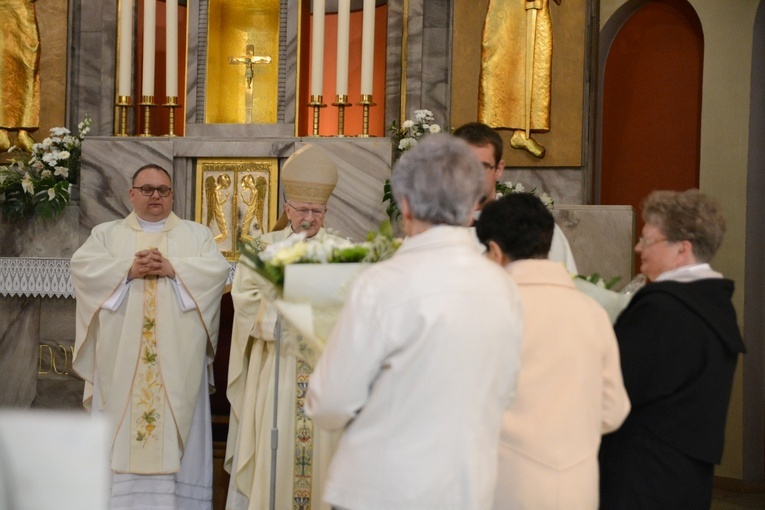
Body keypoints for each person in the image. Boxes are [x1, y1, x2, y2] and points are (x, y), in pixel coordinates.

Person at [305, 134, 524, 510]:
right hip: (467, 489)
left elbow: (331, 402)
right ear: (473, 206)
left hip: (383, 489)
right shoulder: (503, 286)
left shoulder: (383, 284)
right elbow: (506, 390)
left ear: (405, 206)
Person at [70, 164, 230, 509]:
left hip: (178, 363)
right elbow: (83, 269)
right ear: (132, 194)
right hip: (121, 358)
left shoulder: (197, 235)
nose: (155, 196)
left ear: (172, 194)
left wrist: (173, 269)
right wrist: (127, 270)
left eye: (163, 190)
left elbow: (217, 271)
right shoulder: (106, 234)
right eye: (147, 189)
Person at [475, 193, 630, 510]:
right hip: (578, 487)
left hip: (505, 484)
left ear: (495, 251)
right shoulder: (592, 311)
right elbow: (614, 411)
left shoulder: (490, 310)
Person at [599, 189, 746, 509]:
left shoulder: (662, 310)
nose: (639, 248)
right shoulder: (714, 302)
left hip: (640, 475)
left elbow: (615, 389)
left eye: (647, 241)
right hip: (687, 475)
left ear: (682, 249)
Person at [225, 143, 344, 510]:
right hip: (276, 368)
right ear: (287, 209)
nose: (309, 217)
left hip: (322, 375)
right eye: (303, 209)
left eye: (317, 210)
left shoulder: (341, 250)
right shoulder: (261, 249)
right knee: (273, 449)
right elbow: (244, 301)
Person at [454, 121, 578, 273]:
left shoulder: (532, 226)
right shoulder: (430, 227)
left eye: (482, 167)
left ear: (499, 169)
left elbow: (564, 285)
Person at [479, 0, 562, 158]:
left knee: (537, 62)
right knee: (502, 60)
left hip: (536, 8)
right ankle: (488, 125)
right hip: (507, 9)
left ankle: (523, 132)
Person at [0, 0, 40, 151]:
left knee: (29, 61)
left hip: (23, 7)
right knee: (2, 63)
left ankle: (23, 130)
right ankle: (2, 132)